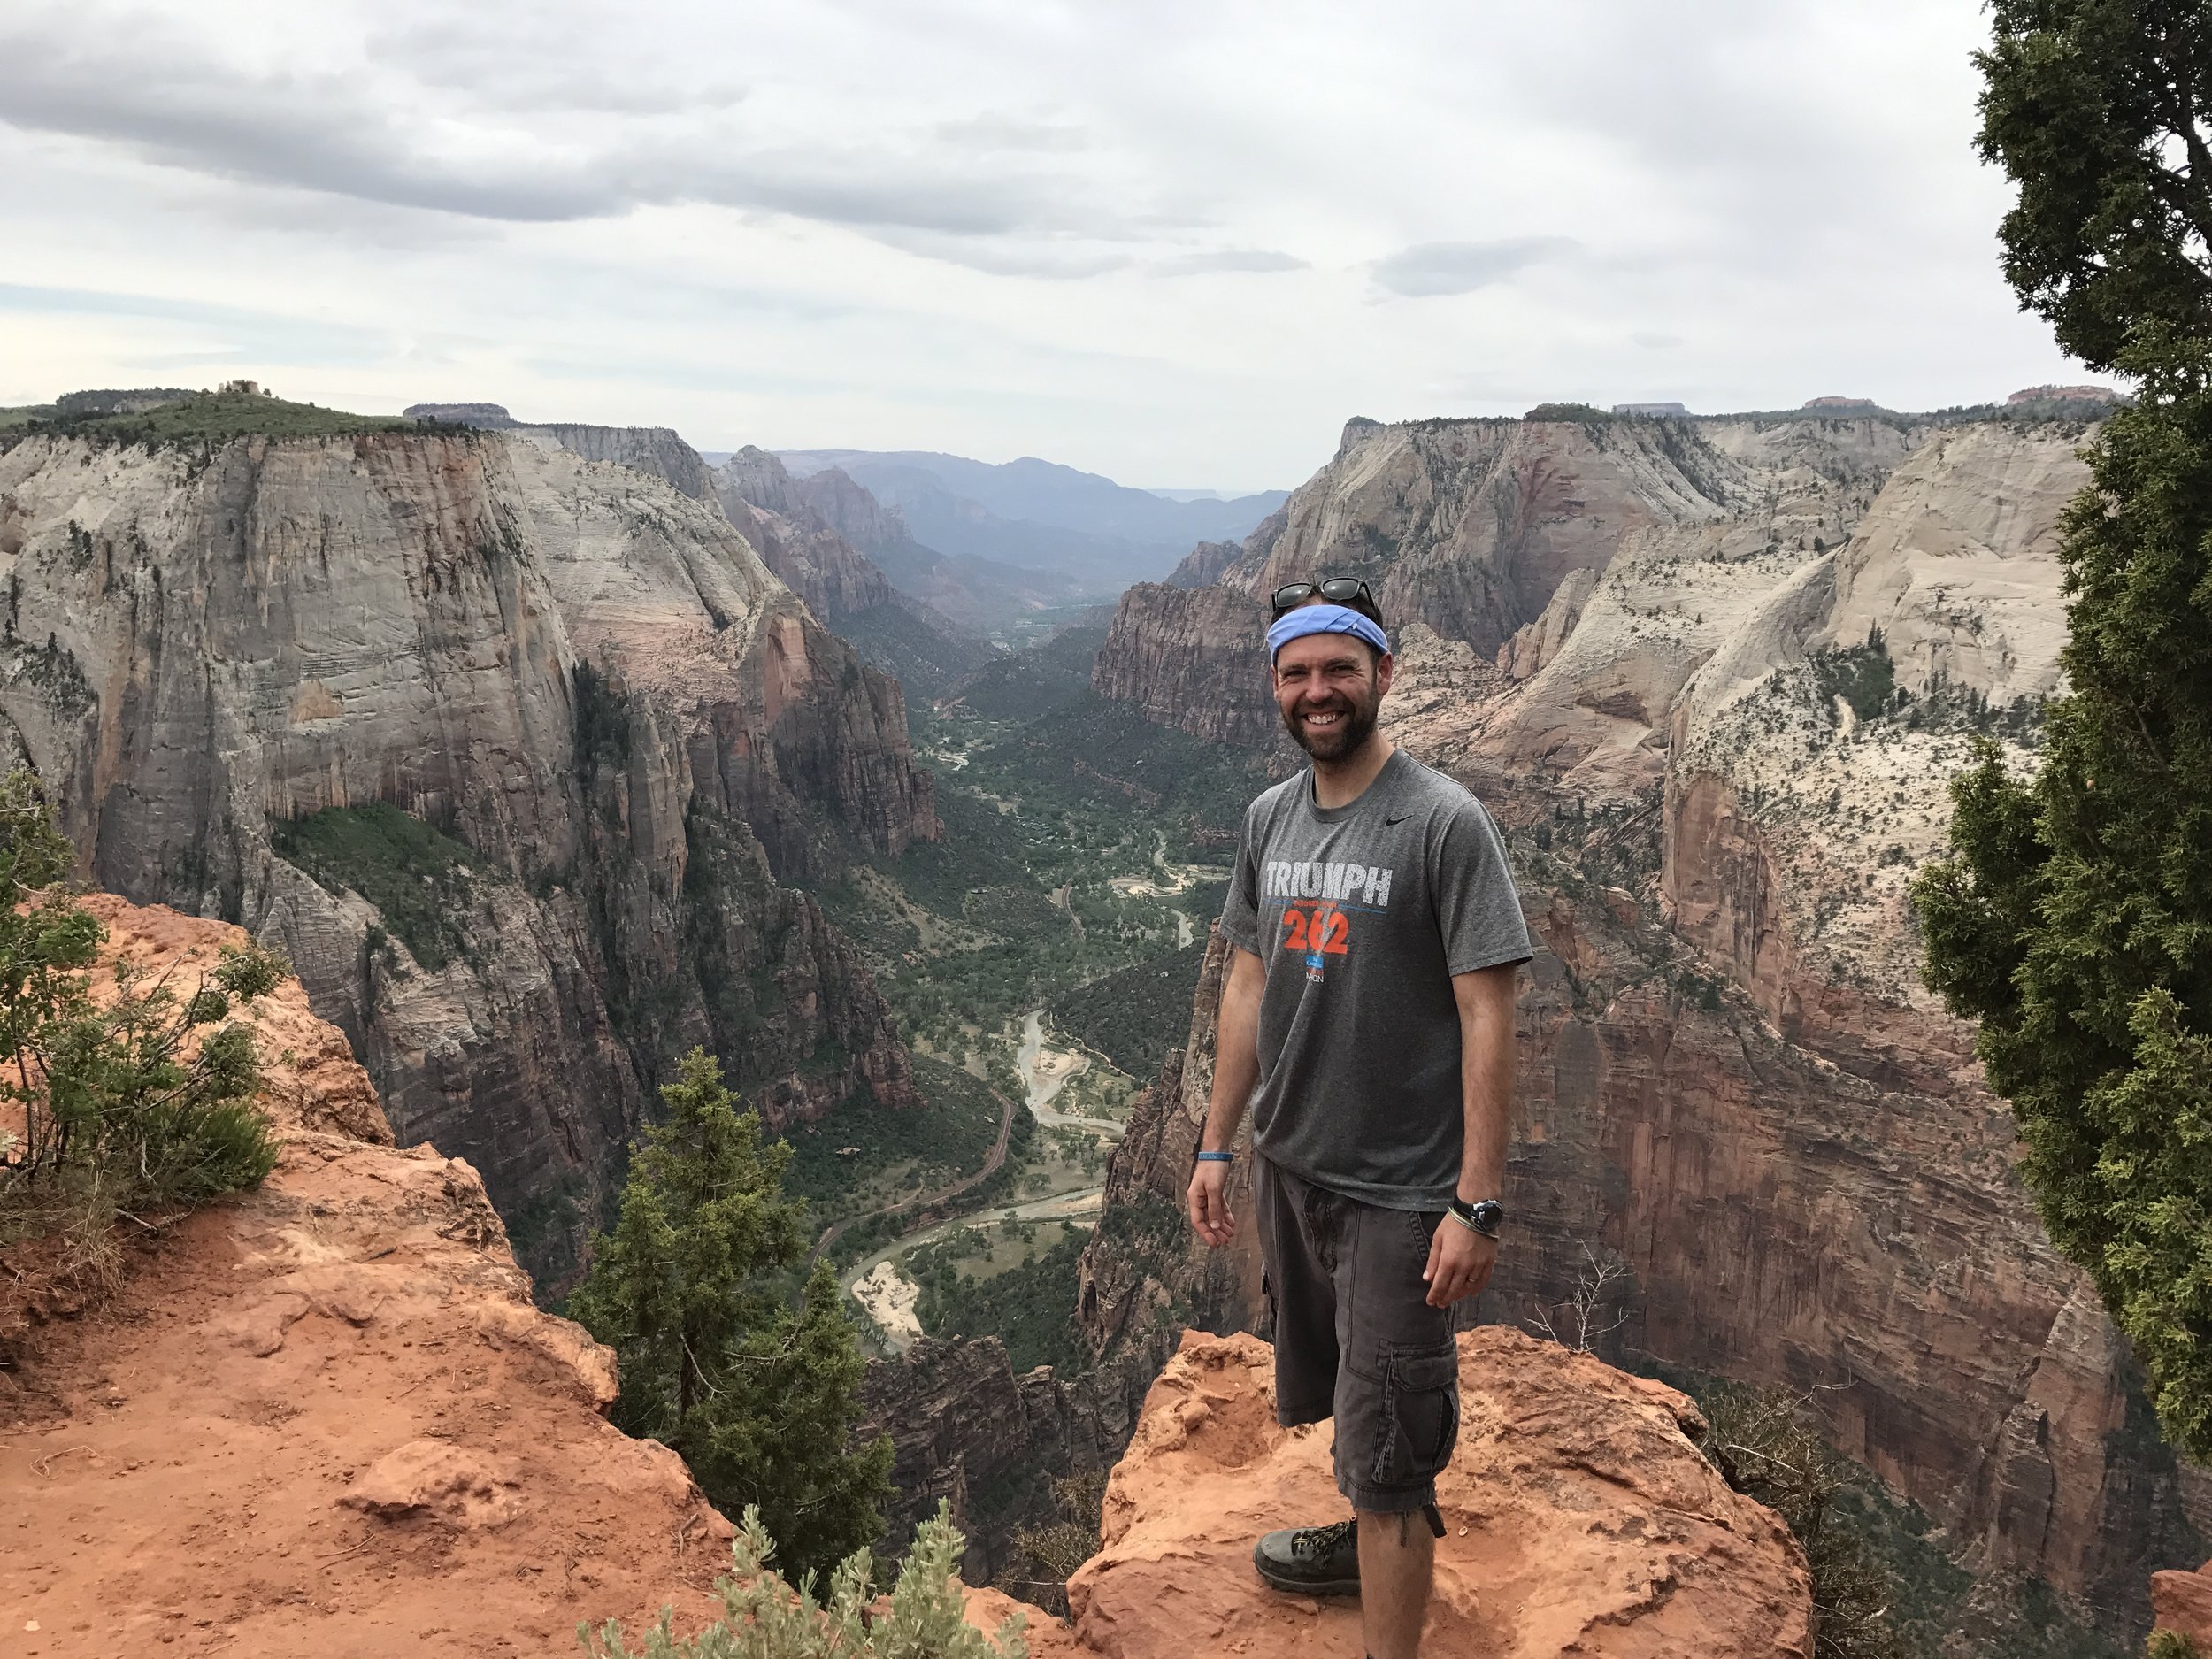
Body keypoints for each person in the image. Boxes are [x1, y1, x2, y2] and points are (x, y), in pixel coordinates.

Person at [1187, 578, 1529, 1659]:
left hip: (1399, 1193)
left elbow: (1489, 1014)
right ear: (1274, 688)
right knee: (1348, 1391)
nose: (1318, 691)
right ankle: (1361, 1535)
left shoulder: (1443, 822)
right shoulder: (1267, 820)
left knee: (1392, 1440)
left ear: (1385, 674)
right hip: (1294, 1173)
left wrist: (1474, 1201)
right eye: (1298, 673)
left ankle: (1386, 1595)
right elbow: (1246, 986)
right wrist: (1215, 1140)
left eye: (1340, 669)